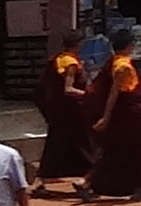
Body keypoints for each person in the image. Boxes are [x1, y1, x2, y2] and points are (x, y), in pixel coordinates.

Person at [87, 39, 141, 202]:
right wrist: (106, 117)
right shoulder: (122, 66)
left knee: (123, 152)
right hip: (130, 116)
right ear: (129, 46)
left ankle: (88, 182)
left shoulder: (114, 62)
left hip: (126, 116)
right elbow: (113, 94)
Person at [35, 36, 96, 188]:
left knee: (55, 145)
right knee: (86, 145)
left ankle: (39, 182)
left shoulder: (58, 59)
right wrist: (89, 96)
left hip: (59, 112)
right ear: (78, 45)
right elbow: (68, 89)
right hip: (72, 112)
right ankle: (87, 180)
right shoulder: (71, 63)